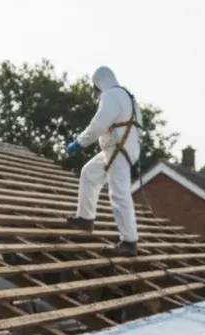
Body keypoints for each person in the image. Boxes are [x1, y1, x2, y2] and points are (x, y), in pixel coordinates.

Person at [64, 66, 141, 257]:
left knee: (119, 193)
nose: (96, 93)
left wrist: (79, 142)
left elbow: (99, 124)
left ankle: (129, 242)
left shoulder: (111, 95)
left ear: (99, 83)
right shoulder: (128, 96)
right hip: (117, 148)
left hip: (118, 149)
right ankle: (85, 218)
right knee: (89, 173)